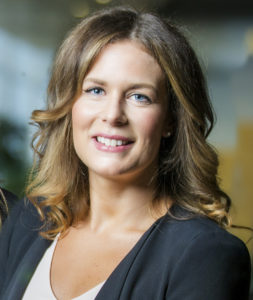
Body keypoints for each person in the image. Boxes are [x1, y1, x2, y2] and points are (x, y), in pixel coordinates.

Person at [0, 6, 251, 300]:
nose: (113, 114)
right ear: (70, 104)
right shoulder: (30, 220)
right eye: (96, 90)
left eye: (139, 96)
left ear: (170, 120)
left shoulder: (204, 255)